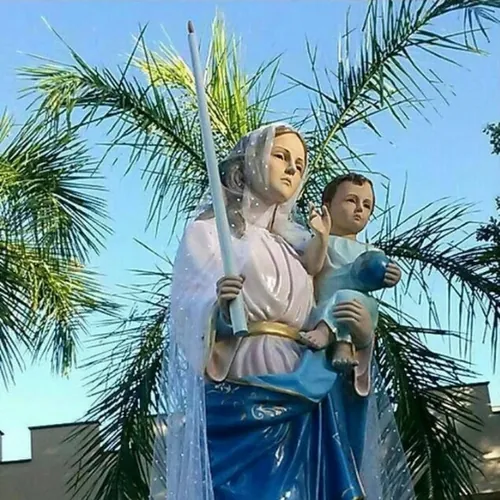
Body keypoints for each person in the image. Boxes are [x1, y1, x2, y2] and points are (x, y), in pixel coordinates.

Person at [150, 124, 414, 500]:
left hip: (308, 384)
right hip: (247, 378)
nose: (292, 168)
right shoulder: (214, 232)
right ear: (253, 160)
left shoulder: (300, 247)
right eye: (281, 156)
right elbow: (189, 305)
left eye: (300, 164)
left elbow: (332, 302)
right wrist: (220, 309)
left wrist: (362, 334)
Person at [300, 174, 402, 381]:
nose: (359, 209)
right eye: (351, 200)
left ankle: (327, 333)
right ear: (327, 205)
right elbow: (311, 266)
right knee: (340, 298)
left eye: (367, 205)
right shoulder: (320, 242)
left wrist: (393, 274)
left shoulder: (372, 252)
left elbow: (382, 270)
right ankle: (341, 344)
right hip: (323, 308)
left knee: (347, 296)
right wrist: (321, 236)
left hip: (360, 306)